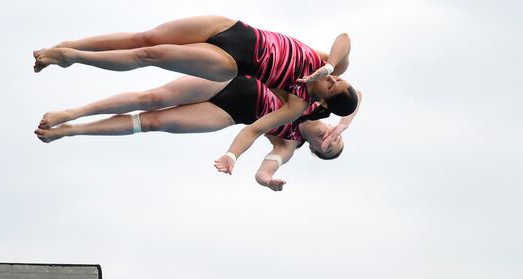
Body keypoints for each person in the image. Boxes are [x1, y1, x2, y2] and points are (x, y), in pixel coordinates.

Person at [35, 75, 362, 191]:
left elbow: (266, 168)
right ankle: (73, 112)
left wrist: (267, 181)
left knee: (152, 122)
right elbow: (356, 97)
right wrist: (345, 124)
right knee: (152, 98)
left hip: (227, 113)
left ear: (315, 151)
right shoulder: (322, 105)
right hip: (231, 82)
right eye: (335, 139)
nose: (327, 140)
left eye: (326, 149)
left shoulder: (290, 142)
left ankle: (72, 130)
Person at [33, 15, 358, 131]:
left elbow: (254, 130)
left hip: (229, 62)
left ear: (324, 104)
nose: (331, 80)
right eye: (337, 79)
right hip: (235, 28)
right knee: (144, 37)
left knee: (149, 54)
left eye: (331, 87)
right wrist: (329, 66)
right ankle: (65, 46)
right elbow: (345, 38)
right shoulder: (327, 64)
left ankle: (73, 57)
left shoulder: (298, 102)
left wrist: (234, 155)